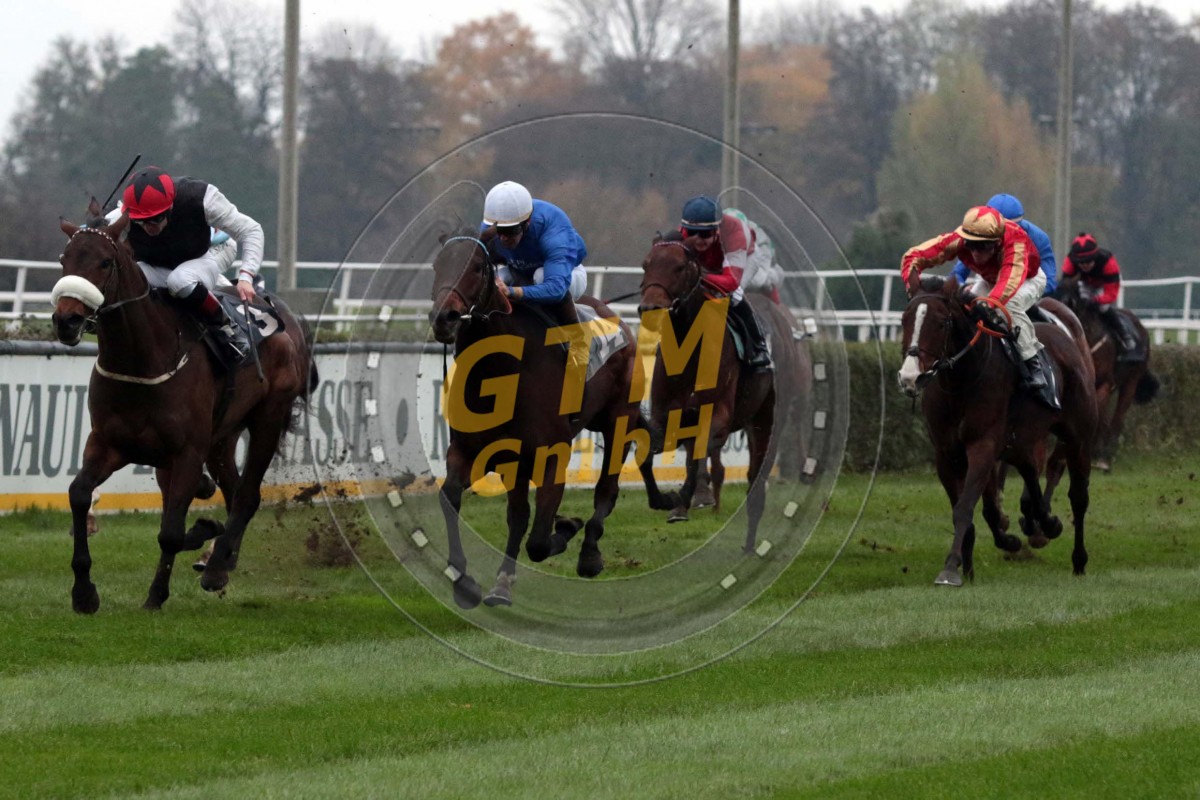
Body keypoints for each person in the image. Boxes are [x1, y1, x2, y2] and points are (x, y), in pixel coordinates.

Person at [901, 205, 1055, 403]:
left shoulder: (1015, 241)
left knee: (1007, 307)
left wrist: (989, 304)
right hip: (991, 278)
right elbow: (914, 256)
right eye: (971, 245)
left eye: (982, 247)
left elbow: (1009, 282)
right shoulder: (959, 238)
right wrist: (912, 286)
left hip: (1027, 278)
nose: (975, 253)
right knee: (965, 310)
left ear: (997, 242)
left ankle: (1033, 363)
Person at [109, 166, 262, 361]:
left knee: (180, 280)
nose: (148, 227)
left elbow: (251, 230)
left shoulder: (202, 198)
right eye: (141, 221)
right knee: (125, 276)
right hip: (161, 264)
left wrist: (246, 276)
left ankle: (227, 327)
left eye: (155, 219)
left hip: (207, 254)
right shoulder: (121, 216)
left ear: (170, 207)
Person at [481, 180, 588, 343]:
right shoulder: (487, 229)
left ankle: (577, 342)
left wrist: (512, 292)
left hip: (564, 276)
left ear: (527, 223)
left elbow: (556, 288)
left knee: (540, 276)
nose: (503, 238)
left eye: (510, 231)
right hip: (519, 270)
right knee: (494, 280)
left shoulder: (554, 233)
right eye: (498, 231)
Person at [678, 195, 771, 371]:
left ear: (718, 229)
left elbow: (731, 282)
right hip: (711, 258)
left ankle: (759, 346)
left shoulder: (735, 234)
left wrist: (699, 275)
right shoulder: (682, 233)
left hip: (745, 257)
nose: (698, 239)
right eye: (691, 233)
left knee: (734, 296)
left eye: (705, 234)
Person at [951, 193, 1057, 296]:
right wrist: (963, 288)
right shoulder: (977, 235)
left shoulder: (1039, 238)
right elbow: (957, 275)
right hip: (988, 281)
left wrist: (1017, 293)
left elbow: (1050, 283)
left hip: (1023, 285)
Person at [1062, 232, 1142, 361]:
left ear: (1095, 257)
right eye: (1081, 262)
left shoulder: (1108, 261)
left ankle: (1126, 337)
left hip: (1104, 284)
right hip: (1084, 283)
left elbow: (1111, 294)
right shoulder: (1070, 261)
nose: (1084, 265)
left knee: (1102, 308)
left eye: (1088, 261)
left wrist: (1096, 301)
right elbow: (1066, 285)